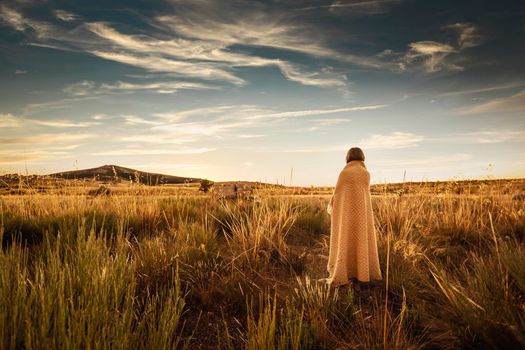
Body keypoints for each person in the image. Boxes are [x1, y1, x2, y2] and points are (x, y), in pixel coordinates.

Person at [325, 147, 382, 287]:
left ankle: (344, 273)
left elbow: (338, 194)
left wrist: (333, 203)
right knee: (361, 240)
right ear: (362, 157)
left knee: (344, 239)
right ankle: (362, 274)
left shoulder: (344, 173)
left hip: (346, 215)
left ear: (348, 157)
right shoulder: (366, 173)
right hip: (362, 216)